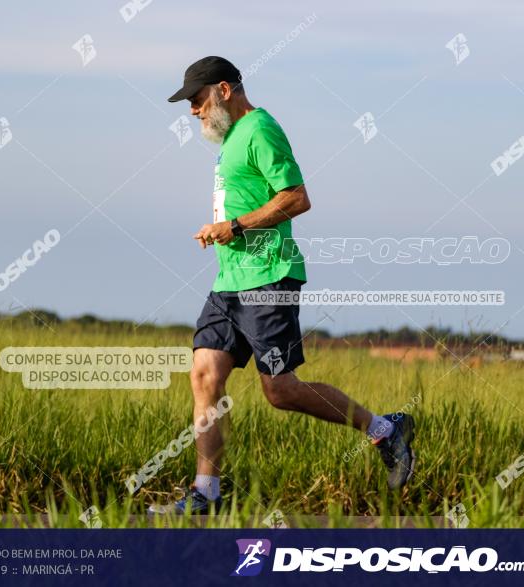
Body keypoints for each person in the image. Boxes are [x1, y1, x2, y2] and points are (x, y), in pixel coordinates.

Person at [150, 56, 416, 514]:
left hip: (268, 278)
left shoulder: (260, 129)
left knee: (280, 391)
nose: (192, 110)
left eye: (196, 99)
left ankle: (385, 431)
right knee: (204, 375)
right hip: (229, 281)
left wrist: (234, 226)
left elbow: (296, 198)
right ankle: (205, 493)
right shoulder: (232, 138)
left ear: (224, 90)